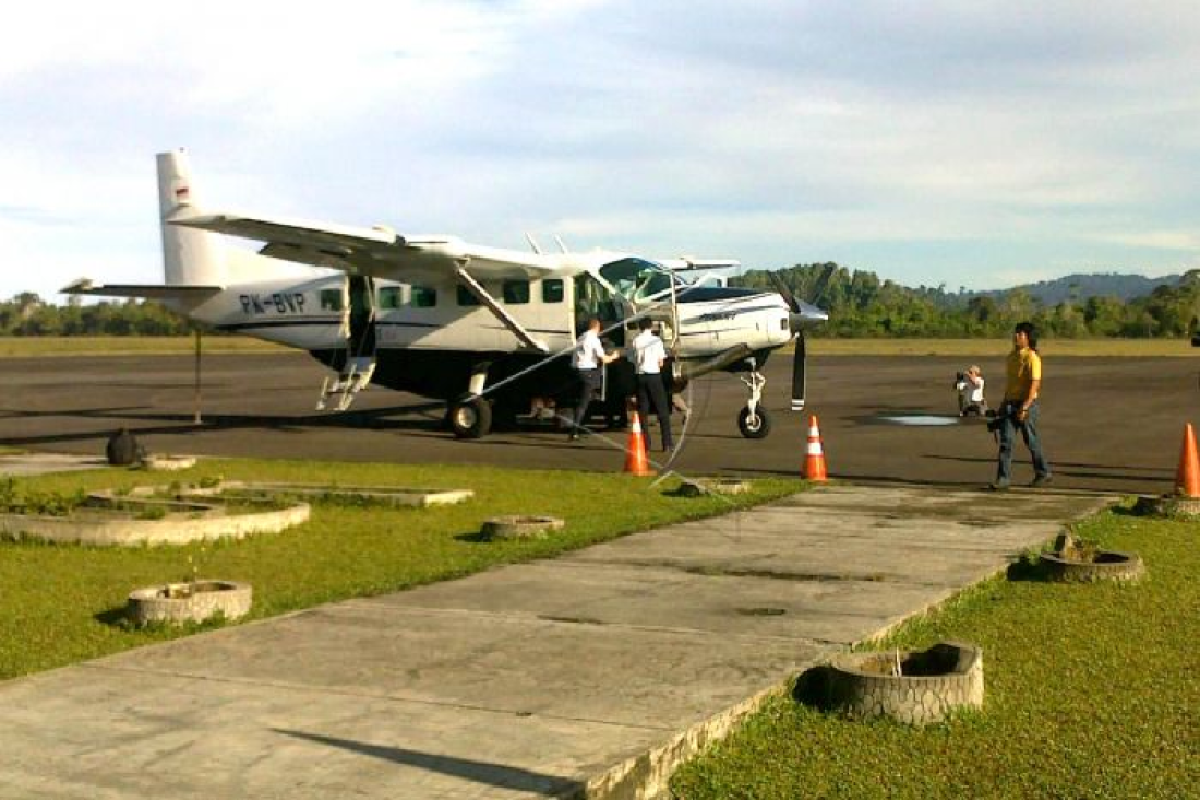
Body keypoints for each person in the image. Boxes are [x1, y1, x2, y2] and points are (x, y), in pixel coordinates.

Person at [991, 321, 1052, 490]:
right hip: (1010, 404)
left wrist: (1025, 406)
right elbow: (1011, 384)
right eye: (1016, 333)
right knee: (1006, 442)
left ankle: (1043, 472)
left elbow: (1035, 384)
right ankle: (1003, 478)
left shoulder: (1032, 357)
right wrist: (1003, 404)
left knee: (1031, 441)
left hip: (1026, 405)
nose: (1016, 336)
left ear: (1028, 338)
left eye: (1021, 334)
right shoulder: (1011, 357)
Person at [569, 318, 618, 440]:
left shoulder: (580, 338)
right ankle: (574, 431)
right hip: (589, 373)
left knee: (583, 400)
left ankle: (579, 426)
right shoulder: (593, 340)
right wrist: (614, 356)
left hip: (578, 371)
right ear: (597, 327)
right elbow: (603, 359)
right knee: (584, 402)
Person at [631, 318, 673, 451]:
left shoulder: (636, 341)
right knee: (662, 409)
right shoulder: (656, 340)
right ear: (651, 327)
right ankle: (667, 443)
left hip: (640, 375)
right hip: (653, 375)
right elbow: (661, 361)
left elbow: (632, 359)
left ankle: (645, 443)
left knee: (643, 409)